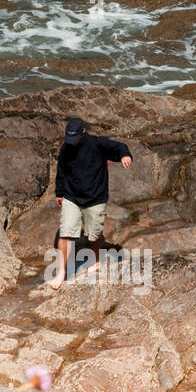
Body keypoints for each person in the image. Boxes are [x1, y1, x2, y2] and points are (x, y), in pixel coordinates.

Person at [48, 117, 131, 289]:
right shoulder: (66, 148)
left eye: (74, 139)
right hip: (72, 197)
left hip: (96, 198)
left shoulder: (98, 144)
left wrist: (124, 155)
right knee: (65, 232)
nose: (71, 143)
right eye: (68, 139)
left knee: (93, 235)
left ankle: (96, 259)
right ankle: (61, 272)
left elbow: (119, 146)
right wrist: (59, 192)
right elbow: (61, 170)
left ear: (83, 133)